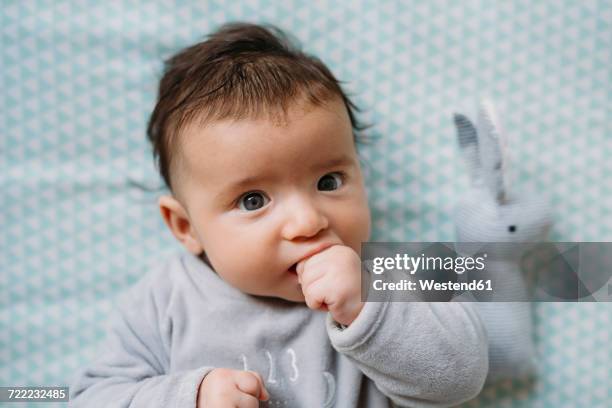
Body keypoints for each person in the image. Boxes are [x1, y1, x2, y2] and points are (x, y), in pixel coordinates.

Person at [70, 22, 488, 407]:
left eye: (328, 182)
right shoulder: (166, 300)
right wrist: (189, 397)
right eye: (253, 200)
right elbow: (91, 397)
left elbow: (462, 378)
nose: (308, 222)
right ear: (186, 226)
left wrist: (367, 306)